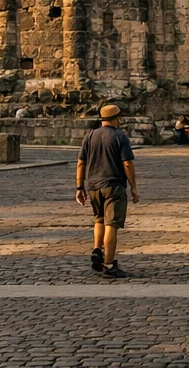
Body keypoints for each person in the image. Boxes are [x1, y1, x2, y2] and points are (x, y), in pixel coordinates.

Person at [76, 103, 139, 278]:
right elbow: (127, 163)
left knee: (99, 220)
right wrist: (133, 186)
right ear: (116, 119)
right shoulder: (120, 136)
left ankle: (98, 249)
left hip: (93, 187)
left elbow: (80, 162)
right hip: (114, 185)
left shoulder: (90, 136)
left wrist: (79, 187)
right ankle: (109, 265)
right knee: (112, 224)